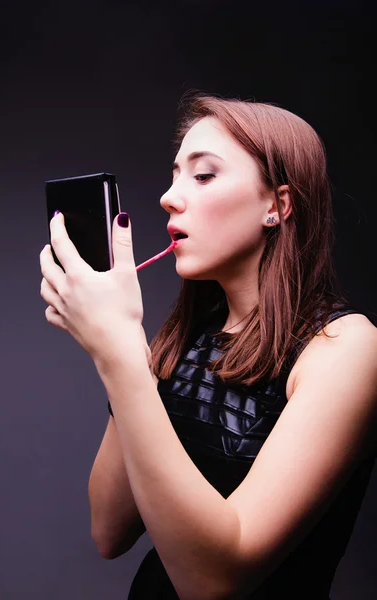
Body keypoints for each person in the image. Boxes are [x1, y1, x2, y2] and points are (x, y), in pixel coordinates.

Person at [41, 94, 377, 600]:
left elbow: (212, 583)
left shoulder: (348, 349)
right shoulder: (179, 342)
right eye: (175, 175)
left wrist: (123, 358)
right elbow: (108, 531)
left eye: (203, 176)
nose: (169, 197)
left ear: (277, 205)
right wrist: (120, 351)